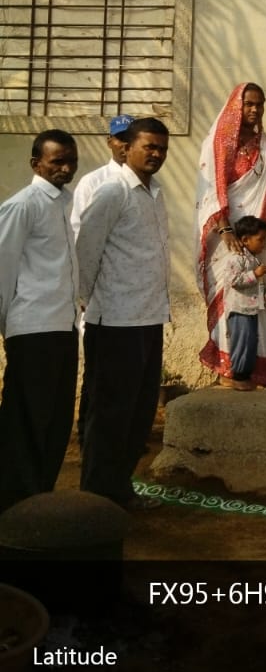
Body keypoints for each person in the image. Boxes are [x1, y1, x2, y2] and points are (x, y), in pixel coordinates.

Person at [76, 118, 171, 509]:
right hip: (114, 321)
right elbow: (85, 251)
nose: (156, 154)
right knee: (110, 414)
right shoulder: (112, 192)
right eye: (149, 146)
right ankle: (96, 499)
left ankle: (118, 489)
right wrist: (85, 302)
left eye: (161, 148)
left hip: (148, 318)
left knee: (139, 413)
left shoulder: (155, 193)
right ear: (126, 148)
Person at [0, 131, 79, 511]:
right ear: (36, 164)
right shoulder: (22, 206)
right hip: (32, 329)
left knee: (56, 418)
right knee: (26, 419)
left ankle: (40, 498)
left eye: (71, 161)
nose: (66, 168)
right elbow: (3, 270)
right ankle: (14, 503)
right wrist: (8, 330)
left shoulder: (64, 203)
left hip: (63, 326)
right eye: (57, 161)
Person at [196, 83, 266, 387]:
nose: (254, 110)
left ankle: (261, 366)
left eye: (259, 104)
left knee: (262, 292)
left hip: (262, 229)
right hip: (230, 233)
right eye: (248, 104)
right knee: (231, 295)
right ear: (236, 107)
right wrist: (225, 230)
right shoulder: (220, 143)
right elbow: (212, 189)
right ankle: (229, 368)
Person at [70, 113, 133, 447]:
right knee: (98, 374)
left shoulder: (147, 186)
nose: (125, 145)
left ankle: (120, 438)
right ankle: (88, 436)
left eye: (131, 138)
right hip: (100, 300)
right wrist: (83, 294)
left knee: (126, 375)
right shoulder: (93, 183)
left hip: (131, 303)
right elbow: (81, 239)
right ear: (110, 141)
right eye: (120, 138)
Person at [223, 216, 266, 391]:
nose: (264, 244)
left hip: (250, 309)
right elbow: (234, 281)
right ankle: (238, 376)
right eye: (260, 239)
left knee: (250, 342)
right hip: (239, 309)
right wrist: (254, 274)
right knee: (242, 342)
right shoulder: (237, 259)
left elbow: (257, 286)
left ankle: (245, 375)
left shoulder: (254, 260)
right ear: (245, 240)